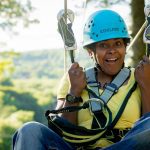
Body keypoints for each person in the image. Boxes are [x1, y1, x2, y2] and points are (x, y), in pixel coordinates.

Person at [12, 9, 150, 150]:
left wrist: (146, 85)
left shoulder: (141, 76)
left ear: (125, 47)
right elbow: (62, 131)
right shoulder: (73, 78)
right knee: (29, 130)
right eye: (103, 45)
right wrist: (74, 92)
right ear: (91, 52)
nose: (112, 50)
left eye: (118, 43)